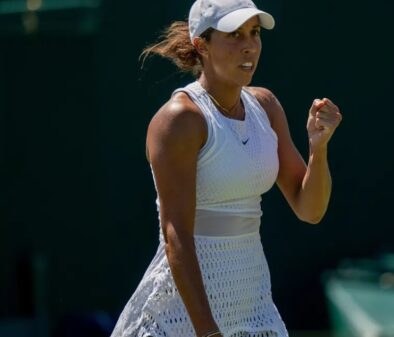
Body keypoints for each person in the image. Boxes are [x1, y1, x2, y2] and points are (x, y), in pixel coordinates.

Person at [110, 0, 342, 336]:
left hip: (254, 309)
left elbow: (311, 209)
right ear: (201, 45)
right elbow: (177, 237)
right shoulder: (180, 120)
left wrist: (318, 149)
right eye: (234, 35)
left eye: (254, 33)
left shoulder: (266, 106)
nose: (249, 45)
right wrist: (208, 331)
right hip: (181, 320)